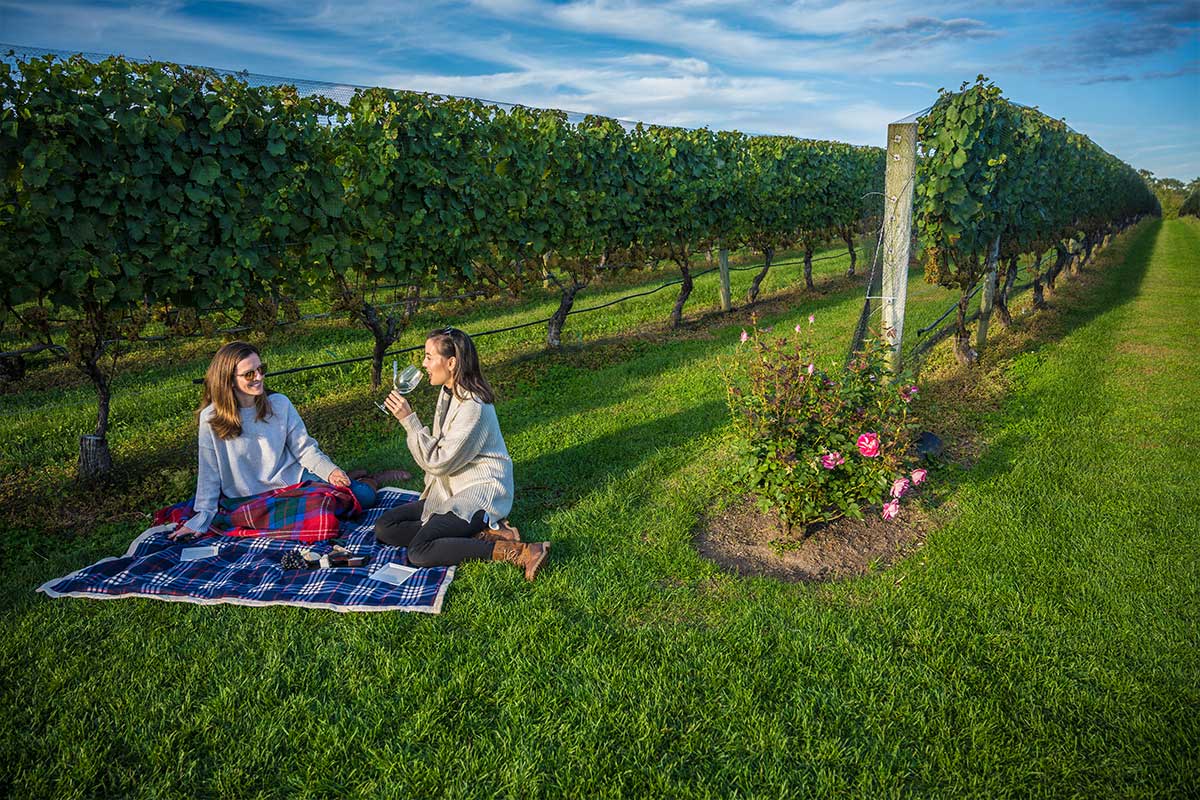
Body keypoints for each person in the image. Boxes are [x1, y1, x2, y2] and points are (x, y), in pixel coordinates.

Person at [169, 341, 406, 541]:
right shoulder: (210, 418)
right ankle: (353, 475)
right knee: (322, 523)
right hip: (250, 497)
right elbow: (209, 472)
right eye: (250, 374)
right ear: (229, 380)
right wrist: (201, 519)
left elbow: (305, 451)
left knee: (363, 496)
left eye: (261, 369)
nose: (259, 377)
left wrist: (331, 471)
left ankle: (370, 479)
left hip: (293, 481)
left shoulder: (279, 404)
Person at [376, 327, 549, 580]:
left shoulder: (473, 406)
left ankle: (519, 551)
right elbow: (438, 450)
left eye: (428, 356)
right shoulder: (448, 392)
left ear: (452, 362)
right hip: (451, 490)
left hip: (481, 491)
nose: (424, 364)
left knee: (419, 551)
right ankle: (483, 533)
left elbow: (438, 462)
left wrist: (409, 420)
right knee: (385, 528)